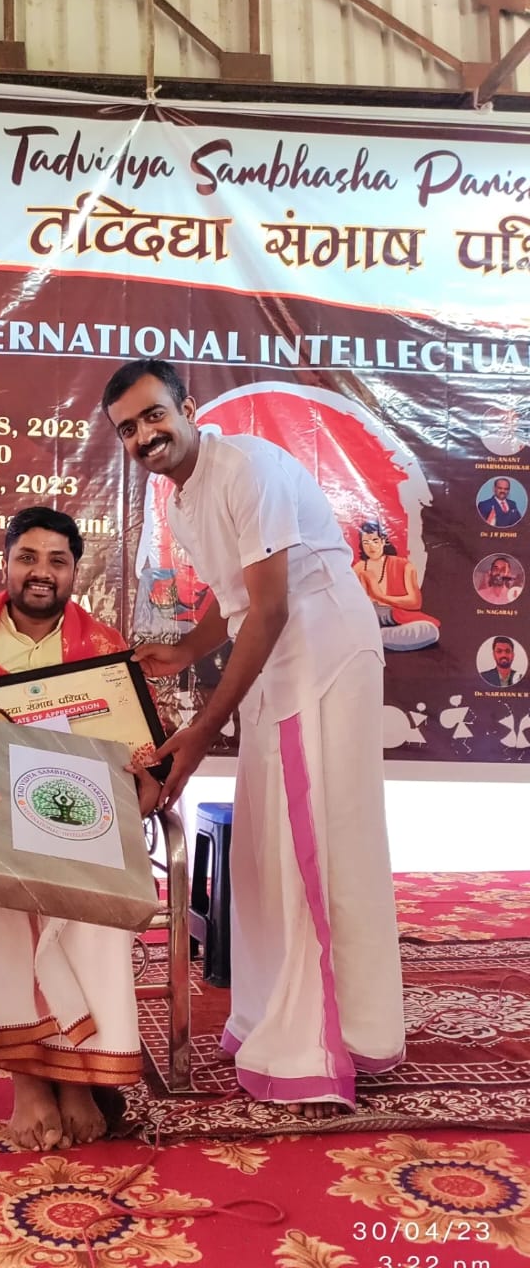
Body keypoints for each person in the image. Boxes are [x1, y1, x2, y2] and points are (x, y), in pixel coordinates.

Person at [101, 358, 405, 1119]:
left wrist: (203, 730)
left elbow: (269, 610)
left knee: (307, 850)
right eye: (128, 429)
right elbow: (236, 599)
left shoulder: (247, 468)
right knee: (267, 849)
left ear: (187, 406)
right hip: (281, 660)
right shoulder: (184, 497)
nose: (144, 435)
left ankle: (312, 1051)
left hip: (321, 656)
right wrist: (185, 648)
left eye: (153, 415)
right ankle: (289, 1021)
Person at [0, 507, 156, 1151]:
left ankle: (78, 1075)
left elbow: (143, 758)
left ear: (75, 571)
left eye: (57, 561)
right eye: (28, 558)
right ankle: (28, 1080)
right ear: (7, 564)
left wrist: (139, 774)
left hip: (75, 816)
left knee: (94, 887)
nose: (42, 572)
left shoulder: (104, 651)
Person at [351, 521, 439, 651]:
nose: (371, 546)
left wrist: (379, 595)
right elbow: (354, 603)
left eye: (375, 540)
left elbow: (415, 603)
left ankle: (375, 637)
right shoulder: (358, 568)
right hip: (370, 616)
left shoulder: (404, 566)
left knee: (430, 630)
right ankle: (372, 636)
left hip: (395, 617)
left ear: (383, 541)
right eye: (366, 543)